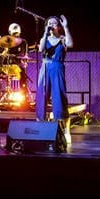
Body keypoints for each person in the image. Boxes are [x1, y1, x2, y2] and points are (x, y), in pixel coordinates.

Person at [36, 15, 74, 152]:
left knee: (60, 99)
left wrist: (66, 26)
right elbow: (40, 49)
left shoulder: (62, 39)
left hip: (57, 68)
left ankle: (66, 131)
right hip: (45, 68)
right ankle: (41, 128)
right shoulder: (44, 39)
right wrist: (45, 33)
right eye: (49, 23)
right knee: (42, 98)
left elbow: (70, 44)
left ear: (58, 26)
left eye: (54, 23)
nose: (51, 25)